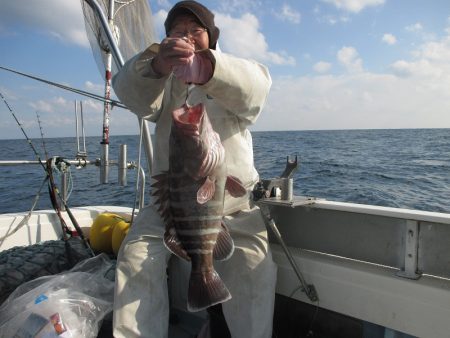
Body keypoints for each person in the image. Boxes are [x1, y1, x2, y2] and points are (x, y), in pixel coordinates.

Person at [111, 1, 277, 337]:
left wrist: (206, 71)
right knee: (135, 260)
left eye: (194, 30)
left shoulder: (233, 72)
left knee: (254, 269)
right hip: (170, 208)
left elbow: (256, 91)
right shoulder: (162, 82)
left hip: (235, 206)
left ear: (211, 37)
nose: (186, 36)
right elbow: (129, 93)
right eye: (177, 32)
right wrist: (157, 64)